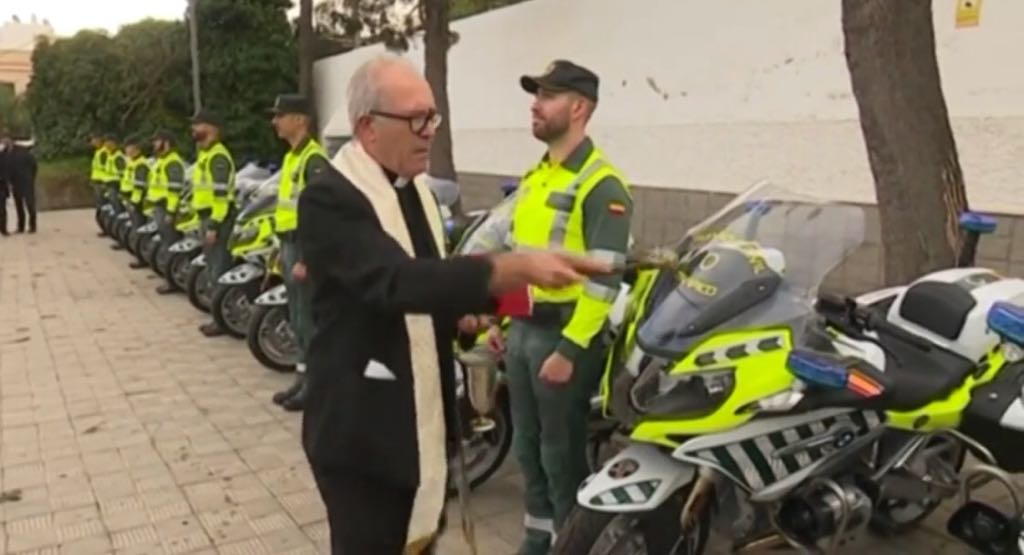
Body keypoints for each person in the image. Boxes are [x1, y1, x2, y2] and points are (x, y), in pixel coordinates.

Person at [296, 53, 610, 555]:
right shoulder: (330, 197)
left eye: (434, 116)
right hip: (362, 436)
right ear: (367, 128)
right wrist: (512, 268)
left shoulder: (415, 192)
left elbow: (429, 288)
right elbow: (396, 282)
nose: (430, 132)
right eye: (416, 118)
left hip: (416, 431)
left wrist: (466, 317)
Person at [491, 59, 634, 554]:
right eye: (536, 95)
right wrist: (501, 317)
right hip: (525, 330)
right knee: (527, 448)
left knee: (561, 454)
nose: (535, 104)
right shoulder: (537, 177)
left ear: (579, 108)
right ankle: (538, 537)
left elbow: (606, 278)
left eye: (547, 96)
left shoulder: (602, 185)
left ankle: (572, 544)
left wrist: (570, 351)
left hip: (563, 335)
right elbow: (520, 257)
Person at [266, 93, 329, 412]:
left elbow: (320, 216)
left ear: (300, 120)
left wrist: (307, 257)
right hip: (290, 244)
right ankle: (303, 377)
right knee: (298, 317)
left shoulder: (313, 160)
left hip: (305, 249)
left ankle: (316, 386)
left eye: (281, 115)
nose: (275, 121)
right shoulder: (292, 157)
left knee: (309, 319)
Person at [189, 109, 237, 337]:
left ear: (211, 128)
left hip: (216, 218)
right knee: (211, 269)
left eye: (198, 125)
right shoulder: (205, 155)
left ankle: (222, 321)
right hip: (206, 217)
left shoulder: (218, 157)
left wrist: (214, 226)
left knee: (219, 269)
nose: (193, 130)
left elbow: (221, 197)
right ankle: (217, 317)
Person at [149, 130, 187, 293]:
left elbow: (174, 190)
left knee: (170, 245)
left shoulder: (172, 162)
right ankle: (169, 278)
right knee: (165, 244)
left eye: (157, 141)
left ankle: (172, 282)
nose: (154, 144)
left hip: (166, 208)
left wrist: (171, 212)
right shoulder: (161, 161)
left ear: (167, 142)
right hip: (159, 207)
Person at [1, 131, 38, 234]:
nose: (3, 141)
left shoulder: (23, 151)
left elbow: (33, 164)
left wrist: (31, 177)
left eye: (5, 139)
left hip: (26, 181)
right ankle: (21, 226)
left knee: (30, 203)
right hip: (14, 182)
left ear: (10, 140)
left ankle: (32, 226)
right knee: (18, 205)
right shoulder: (3, 154)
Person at [89, 131, 113, 237]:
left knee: (103, 207)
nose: (92, 142)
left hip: (102, 182)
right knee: (100, 206)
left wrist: (103, 182)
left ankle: (107, 229)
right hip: (98, 182)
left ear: (99, 140)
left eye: (93, 139)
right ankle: (105, 228)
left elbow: (105, 169)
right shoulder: (99, 152)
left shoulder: (103, 152)